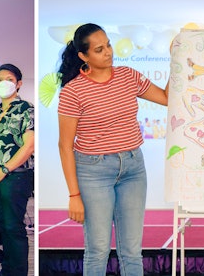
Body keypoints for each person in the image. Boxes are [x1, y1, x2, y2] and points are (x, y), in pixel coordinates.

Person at [57, 24, 169, 276]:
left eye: (108, 44)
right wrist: (73, 195)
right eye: (99, 49)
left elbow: (166, 98)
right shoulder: (73, 91)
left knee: (131, 251)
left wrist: (179, 62)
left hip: (133, 168)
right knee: (97, 250)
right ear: (83, 56)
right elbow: (65, 146)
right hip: (93, 171)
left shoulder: (128, 76)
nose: (108, 52)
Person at [0, 65, 35, 276]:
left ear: (19, 83)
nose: (3, 83)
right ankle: (8, 270)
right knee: (3, 225)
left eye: (9, 78)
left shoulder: (26, 108)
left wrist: (5, 168)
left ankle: (18, 272)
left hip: (17, 175)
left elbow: (29, 145)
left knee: (14, 227)